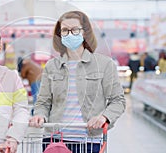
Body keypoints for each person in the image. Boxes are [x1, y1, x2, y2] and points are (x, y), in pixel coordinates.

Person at [29, 11, 126, 153]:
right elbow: (43, 102)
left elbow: (118, 100)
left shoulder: (104, 64)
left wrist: (104, 117)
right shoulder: (52, 66)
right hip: (56, 141)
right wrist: (40, 115)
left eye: (75, 29)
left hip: (90, 140)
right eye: (64, 30)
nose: (69, 34)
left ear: (85, 32)